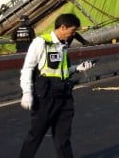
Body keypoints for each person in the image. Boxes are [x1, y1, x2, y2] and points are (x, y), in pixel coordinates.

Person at [19, 13, 96, 158]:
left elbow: (61, 70)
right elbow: (28, 68)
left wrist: (78, 68)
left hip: (64, 95)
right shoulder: (41, 42)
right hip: (46, 97)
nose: (73, 35)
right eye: (72, 31)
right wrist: (27, 92)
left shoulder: (63, 45)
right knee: (36, 135)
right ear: (62, 27)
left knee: (63, 138)